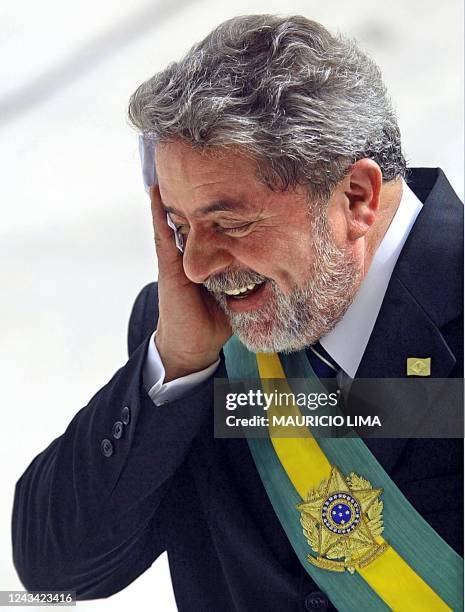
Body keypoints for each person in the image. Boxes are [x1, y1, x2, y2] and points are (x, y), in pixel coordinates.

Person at [12, 14, 463, 612]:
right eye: (179, 225)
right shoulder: (191, 334)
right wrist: (176, 368)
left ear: (356, 197)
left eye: (229, 223)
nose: (194, 266)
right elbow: (59, 572)